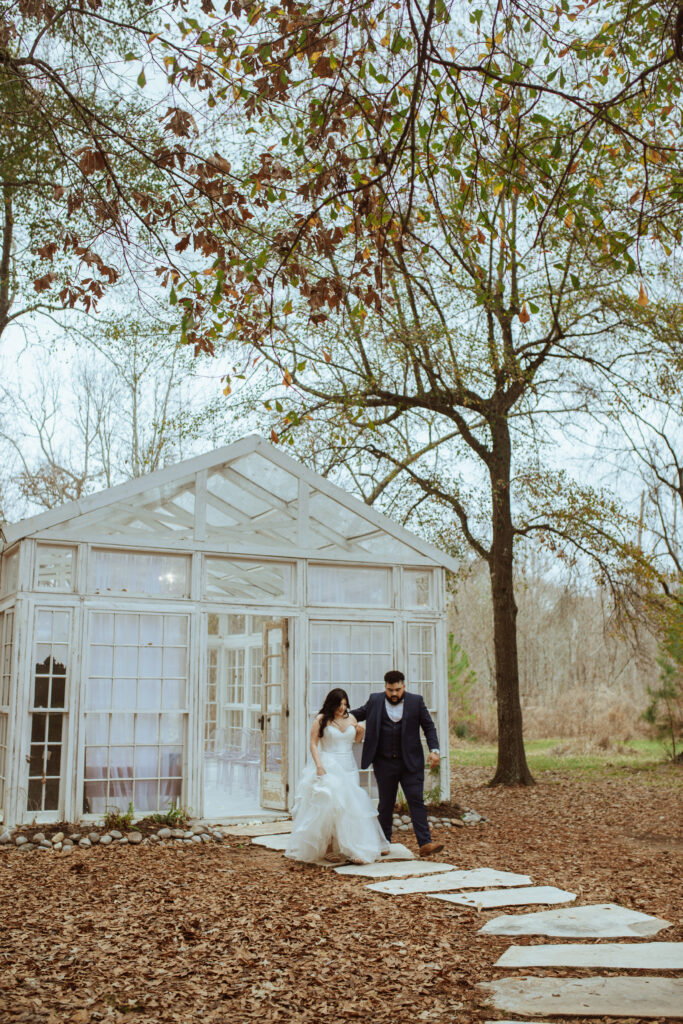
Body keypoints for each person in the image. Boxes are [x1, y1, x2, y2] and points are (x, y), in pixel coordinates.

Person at [284, 687, 390, 864]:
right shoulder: (321, 720)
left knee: (351, 806)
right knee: (330, 805)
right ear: (331, 703)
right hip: (329, 765)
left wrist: (360, 732)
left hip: (349, 766)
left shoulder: (352, 718)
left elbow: (355, 741)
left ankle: (352, 847)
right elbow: (312, 744)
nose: (342, 708)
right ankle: (328, 848)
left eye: (345, 704)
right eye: (339, 704)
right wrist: (319, 765)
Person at [352, 670, 444, 857]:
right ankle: (384, 843)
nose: (394, 693)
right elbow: (357, 714)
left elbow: (428, 726)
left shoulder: (416, 701)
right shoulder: (375, 700)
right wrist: (335, 715)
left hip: (411, 762)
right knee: (386, 803)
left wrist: (434, 751)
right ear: (385, 687)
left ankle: (425, 843)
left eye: (398, 689)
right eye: (390, 690)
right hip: (384, 762)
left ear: (404, 686)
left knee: (416, 800)